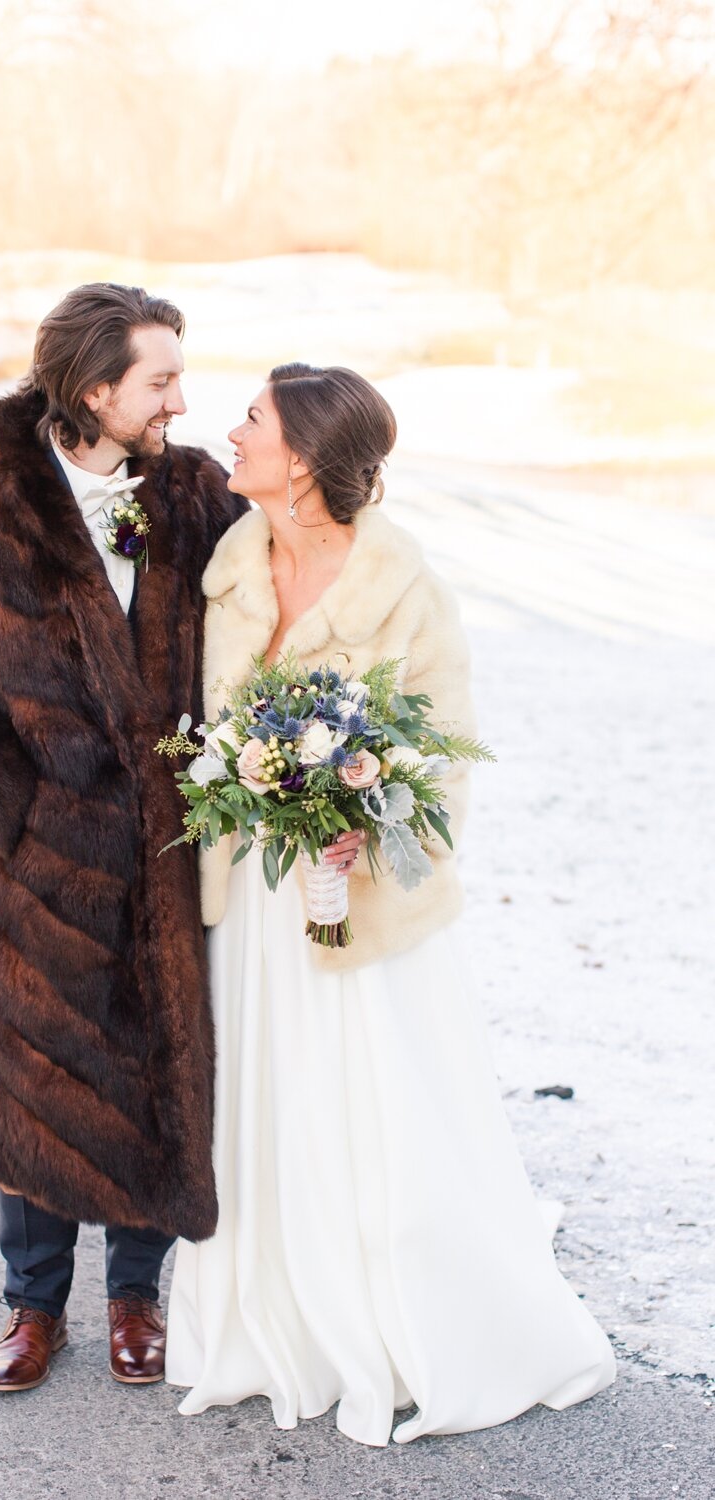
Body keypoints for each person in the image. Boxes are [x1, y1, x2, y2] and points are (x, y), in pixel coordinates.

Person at [165, 363, 616, 1445]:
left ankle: (409, 1313)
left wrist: (373, 832)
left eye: (254, 422)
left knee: (380, 1116)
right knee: (267, 1111)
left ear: (305, 461)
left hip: (363, 907)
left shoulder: (405, 589)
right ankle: (276, 1315)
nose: (232, 432)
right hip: (254, 908)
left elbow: (442, 763)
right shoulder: (227, 569)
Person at [0, 283, 266, 1393]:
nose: (181, 401)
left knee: (157, 1066)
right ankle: (32, 1304)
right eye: (160, 381)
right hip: (38, 867)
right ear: (95, 390)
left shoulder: (198, 496)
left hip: (176, 852)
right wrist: (21, 816)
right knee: (38, 1072)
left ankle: (137, 1295)